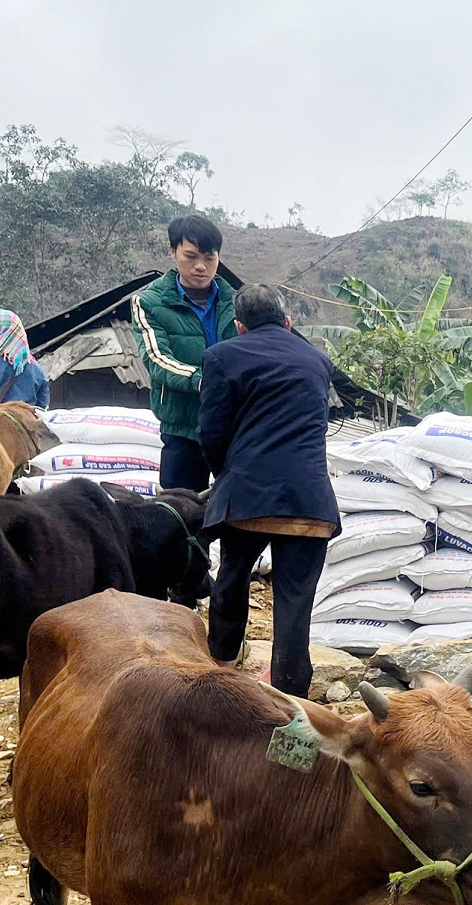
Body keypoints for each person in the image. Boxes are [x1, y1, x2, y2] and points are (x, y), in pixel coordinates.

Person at [198, 284, 339, 700]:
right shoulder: (318, 360)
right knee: (295, 603)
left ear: (240, 326)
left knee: (232, 578)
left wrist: (228, 477)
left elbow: (211, 433)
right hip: (311, 501)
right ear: (288, 322)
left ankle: (220, 674)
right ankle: (290, 700)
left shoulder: (221, 356)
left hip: (249, 498)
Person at [133, 215, 237, 493]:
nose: (201, 266)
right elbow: (157, 359)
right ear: (173, 252)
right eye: (191, 256)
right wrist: (202, 381)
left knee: (240, 509)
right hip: (182, 427)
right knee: (179, 509)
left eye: (209, 258)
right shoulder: (149, 302)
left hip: (234, 427)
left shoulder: (237, 301)